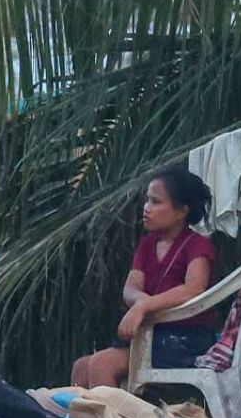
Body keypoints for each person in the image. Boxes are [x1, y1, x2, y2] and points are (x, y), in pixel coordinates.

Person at [71, 165, 218, 388]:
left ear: (181, 211)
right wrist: (142, 305)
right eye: (147, 200)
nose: (146, 208)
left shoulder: (198, 245)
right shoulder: (148, 244)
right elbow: (130, 288)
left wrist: (144, 307)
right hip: (151, 332)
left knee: (102, 364)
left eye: (156, 202)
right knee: (81, 366)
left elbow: (193, 290)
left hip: (185, 339)